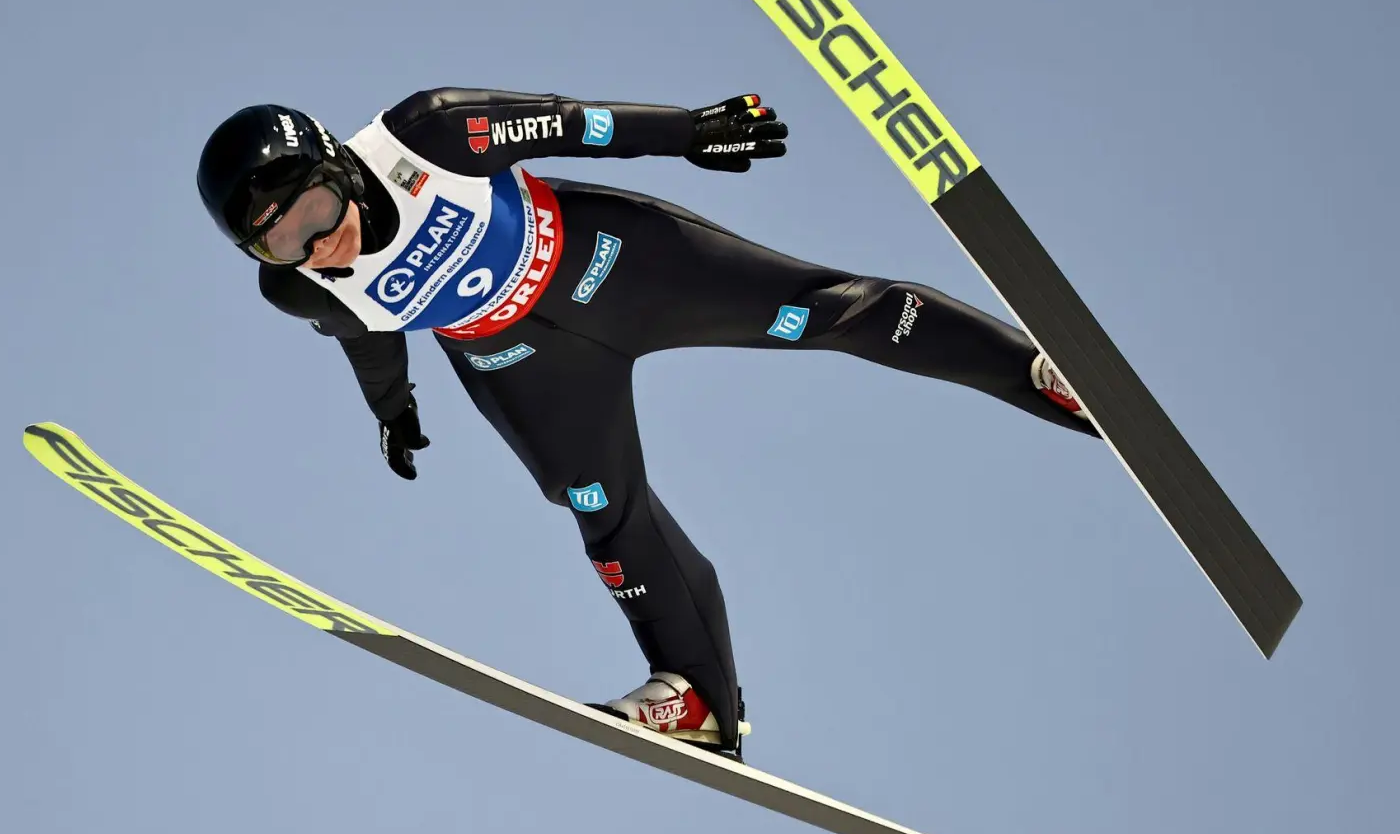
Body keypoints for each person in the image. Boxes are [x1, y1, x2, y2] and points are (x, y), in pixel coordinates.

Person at [195, 88, 1098, 760]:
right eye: (283, 243)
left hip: (611, 264)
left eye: (313, 213)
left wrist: (693, 134)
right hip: (521, 362)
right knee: (605, 515)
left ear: (334, 168)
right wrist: (394, 411)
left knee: (827, 311)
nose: (320, 247)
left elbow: (573, 122)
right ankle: (701, 700)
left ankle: (1037, 374)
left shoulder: (425, 135)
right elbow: (366, 333)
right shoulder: (298, 285)